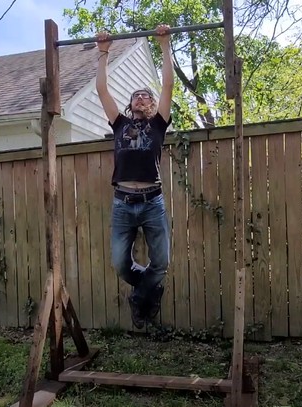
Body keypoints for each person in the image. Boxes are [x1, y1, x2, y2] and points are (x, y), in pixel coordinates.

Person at [95, 25, 174, 329]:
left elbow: (167, 87)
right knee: (119, 264)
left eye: (146, 96)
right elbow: (102, 90)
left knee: (162, 263)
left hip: (153, 200)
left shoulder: (158, 125)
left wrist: (164, 46)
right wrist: (103, 53)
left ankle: (140, 297)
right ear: (130, 105)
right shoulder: (119, 124)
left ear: (152, 105)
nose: (141, 98)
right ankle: (148, 292)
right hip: (122, 202)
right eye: (136, 96)